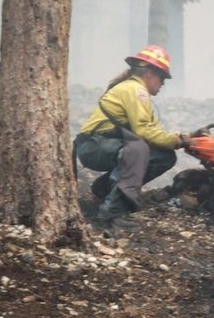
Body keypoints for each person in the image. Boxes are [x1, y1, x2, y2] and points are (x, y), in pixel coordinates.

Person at [74, 45, 204, 230]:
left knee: (163, 156)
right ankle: (112, 213)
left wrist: (187, 137)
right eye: (162, 77)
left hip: (97, 146)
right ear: (149, 73)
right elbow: (144, 132)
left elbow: (152, 132)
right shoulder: (136, 90)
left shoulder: (132, 89)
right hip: (95, 146)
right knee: (137, 150)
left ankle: (106, 191)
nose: (163, 83)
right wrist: (181, 141)